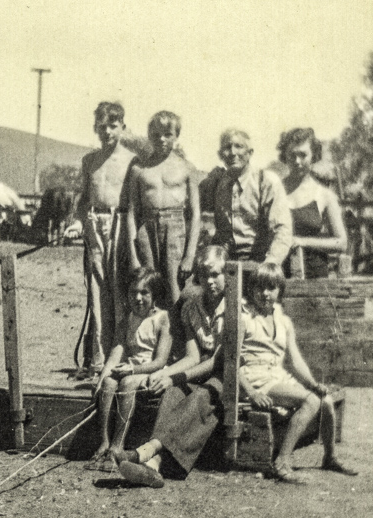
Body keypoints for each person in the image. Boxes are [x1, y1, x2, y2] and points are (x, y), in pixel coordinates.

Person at [113, 245, 229, 488]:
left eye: (216, 274)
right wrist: (165, 373)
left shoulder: (233, 310)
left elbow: (214, 362)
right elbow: (193, 357)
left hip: (227, 373)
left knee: (204, 396)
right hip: (199, 369)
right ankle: (153, 466)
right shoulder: (191, 307)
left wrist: (174, 376)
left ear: (227, 275)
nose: (210, 281)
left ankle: (145, 453)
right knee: (172, 393)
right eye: (204, 275)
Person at [238, 262, 358, 483]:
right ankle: (282, 463)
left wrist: (313, 383)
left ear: (279, 291)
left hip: (277, 377)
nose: (265, 294)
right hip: (255, 380)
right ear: (251, 288)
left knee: (325, 400)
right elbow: (230, 362)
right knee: (311, 402)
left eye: (271, 288)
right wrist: (251, 392)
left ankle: (329, 457)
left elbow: (295, 360)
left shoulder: (283, 321)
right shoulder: (244, 319)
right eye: (259, 287)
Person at [71, 102, 139, 377]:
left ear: (122, 126)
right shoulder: (90, 160)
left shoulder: (133, 160)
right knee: (97, 294)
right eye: (102, 126)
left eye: (113, 126)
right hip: (94, 225)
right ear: (95, 128)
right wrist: (77, 222)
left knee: (121, 291)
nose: (107, 131)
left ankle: (122, 357)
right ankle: (98, 361)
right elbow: (83, 198)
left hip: (122, 225)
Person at [91, 267, 172, 463]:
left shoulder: (162, 319)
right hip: (129, 368)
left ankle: (118, 444)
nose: (138, 298)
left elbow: (160, 361)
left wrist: (133, 369)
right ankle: (104, 441)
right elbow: (115, 354)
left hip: (150, 371)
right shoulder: (127, 319)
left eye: (144, 293)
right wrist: (102, 378)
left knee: (127, 383)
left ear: (155, 295)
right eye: (133, 292)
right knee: (109, 383)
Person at [120, 111, 202, 304]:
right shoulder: (139, 170)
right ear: (149, 136)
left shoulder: (187, 167)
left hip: (175, 231)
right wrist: (133, 255)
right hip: (146, 231)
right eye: (156, 135)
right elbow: (132, 213)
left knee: (175, 290)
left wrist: (190, 255)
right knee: (148, 288)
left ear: (176, 136)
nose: (162, 139)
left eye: (167, 134)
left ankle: (176, 334)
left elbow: (196, 214)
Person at [204, 129, 293, 265]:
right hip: (226, 261)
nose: (233, 153)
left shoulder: (266, 181)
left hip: (260, 259)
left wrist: (271, 264)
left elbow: (282, 230)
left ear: (250, 153)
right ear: (221, 154)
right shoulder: (217, 181)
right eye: (227, 148)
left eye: (239, 147)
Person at [278, 128, 348, 278]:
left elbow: (341, 243)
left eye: (303, 155)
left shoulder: (324, 195)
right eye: (292, 155)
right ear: (285, 155)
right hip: (278, 276)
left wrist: (302, 241)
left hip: (315, 277)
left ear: (314, 155)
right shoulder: (274, 191)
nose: (297, 161)